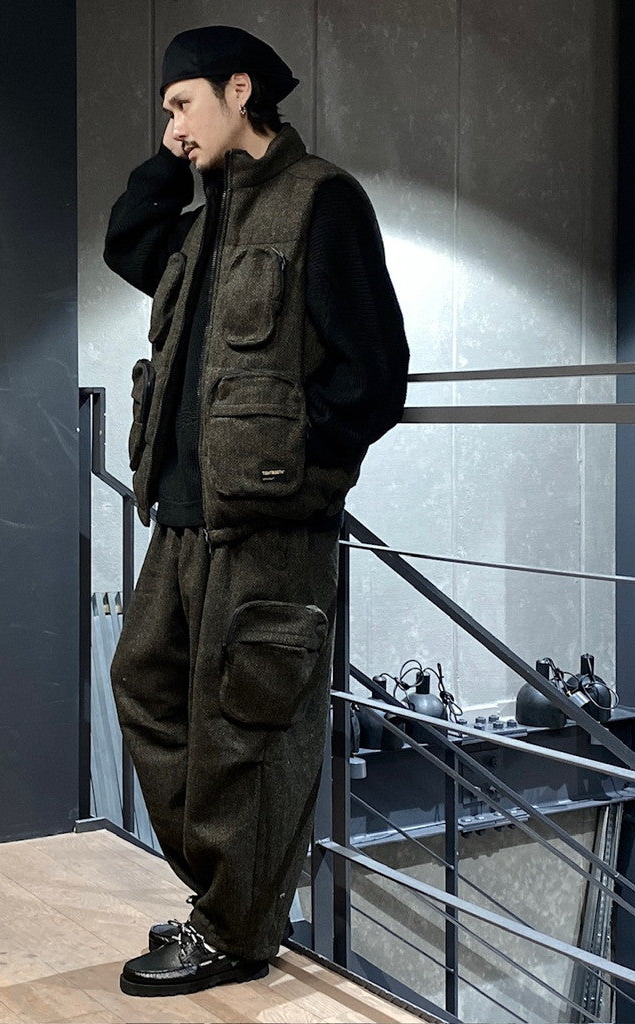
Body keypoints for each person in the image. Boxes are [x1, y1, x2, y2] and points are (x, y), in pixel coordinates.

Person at [104, 24, 409, 998]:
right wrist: (175, 158)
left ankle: (236, 931)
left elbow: (373, 375)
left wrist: (300, 481)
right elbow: (127, 241)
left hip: (267, 531)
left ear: (240, 91)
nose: (172, 124)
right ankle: (226, 893)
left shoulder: (320, 201)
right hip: (182, 522)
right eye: (165, 111)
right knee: (146, 684)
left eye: (182, 104)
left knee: (250, 731)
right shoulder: (205, 219)